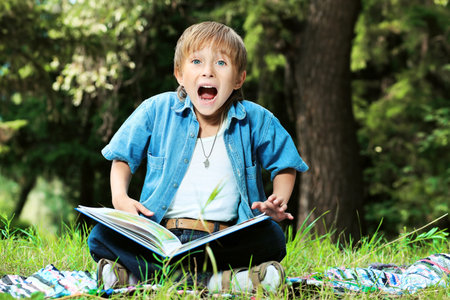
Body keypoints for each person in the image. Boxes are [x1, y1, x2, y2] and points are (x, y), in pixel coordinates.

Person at [87, 21, 308, 293]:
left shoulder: (256, 119)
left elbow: (286, 164)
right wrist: (120, 197)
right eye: (196, 61)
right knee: (100, 236)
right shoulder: (156, 109)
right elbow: (121, 156)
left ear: (239, 79)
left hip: (224, 238)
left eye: (221, 63)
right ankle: (218, 282)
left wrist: (279, 201)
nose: (208, 72)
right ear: (179, 73)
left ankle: (144, 279)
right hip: (162, 235)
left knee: (273, 239)